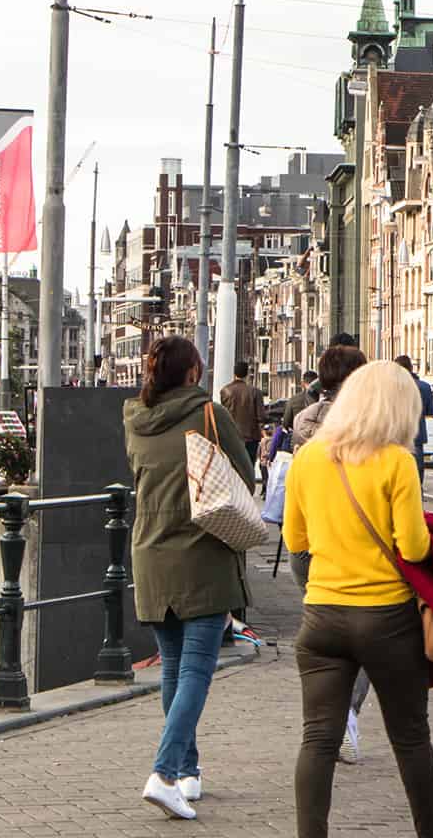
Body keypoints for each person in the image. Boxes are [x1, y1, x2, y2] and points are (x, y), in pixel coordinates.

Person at [282, 361, 433, 838]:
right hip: (386, 619)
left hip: (321, 617)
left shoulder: (307, 458)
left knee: (318, 740)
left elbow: (294, 537)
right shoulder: (396, 461)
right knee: (410, 738)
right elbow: (413, 546)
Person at [123, 335, 257, 820]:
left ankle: (186, 773)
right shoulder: (207, 414)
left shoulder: (134, 421)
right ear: (192, 373)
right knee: (198, 669)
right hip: (202, 555)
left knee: (175, 670)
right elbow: (244, 475)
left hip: (150, 553)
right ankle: (162, 773)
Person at [287, 342, 372, 762]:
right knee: (371, 641)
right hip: (354, 547)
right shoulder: (372, 430)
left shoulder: (304, 425)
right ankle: (345, 714)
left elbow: (292, 517)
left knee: (324, 640)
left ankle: (324, 723)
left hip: (308, 550)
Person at [219, 361, 265, 473]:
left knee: (232, 470)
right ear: (247, 374)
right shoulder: (255, 392)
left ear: (234, 373)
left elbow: (223, 415)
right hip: (251, 437)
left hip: (231, 437)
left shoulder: (225, 391)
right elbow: (261, 417)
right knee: (248, 470)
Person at [396, 355, 433, 479]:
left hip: (396, 436)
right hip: (417, 435)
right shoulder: (424, 387)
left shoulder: (392, 387)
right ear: (411, 368)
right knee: (417, 471)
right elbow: (430, 411)